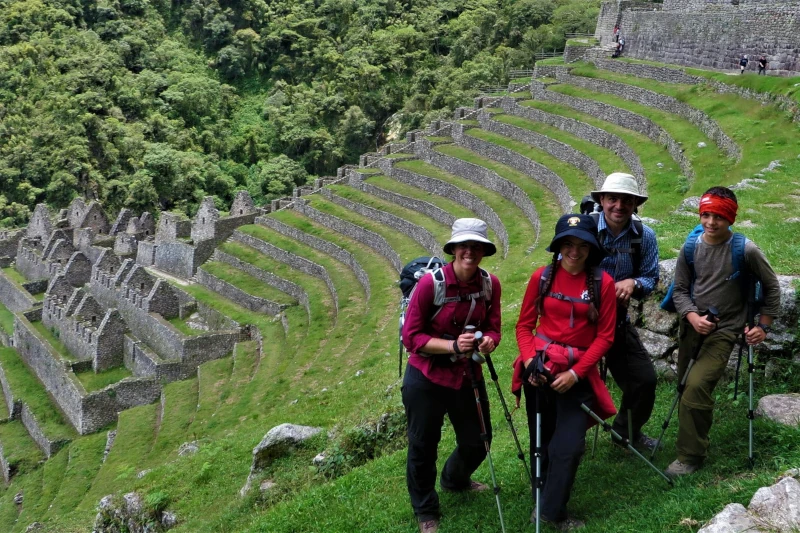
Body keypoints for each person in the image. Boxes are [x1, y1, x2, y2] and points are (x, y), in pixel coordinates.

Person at [665, 187, 781, 477]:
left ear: (731, 218)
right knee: (684, 385)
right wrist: (692, 316)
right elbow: (679, 290)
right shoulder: (691, 248)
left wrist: (763, 325)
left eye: (719, 216)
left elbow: (772, 287)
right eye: (706, 214)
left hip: (725, 330)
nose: (711, 222)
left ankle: (690, 456)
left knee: (696, 387)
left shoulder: (746, 250)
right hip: (692, 327)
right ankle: (693, 439)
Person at [513, 214, 617, 531]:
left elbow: (605, 336)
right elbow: (523, 326)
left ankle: (546, 507)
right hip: (540, 369)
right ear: (558, 246)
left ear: (591, 248)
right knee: (540, 440)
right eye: (568, 244)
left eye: (581, 245)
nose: (574, 251)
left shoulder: (604, 284)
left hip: (577, 372)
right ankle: (549, 509)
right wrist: (531, 362)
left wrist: (576, 374)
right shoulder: (541, 278)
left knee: (569, 446)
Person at [401, 218, 502, 533]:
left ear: (483, 251)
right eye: (464, 246)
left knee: (478, 441)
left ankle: (454, 480)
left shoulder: (490, 284)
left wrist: (489, 341)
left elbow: (495, 327)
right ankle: (426, 511)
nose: (470, 252)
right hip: (426, 377)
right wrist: (452, 345)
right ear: (454, 249)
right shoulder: (431, 285)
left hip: (467, 374)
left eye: (476, 246)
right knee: (423, 445)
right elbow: (412, 337)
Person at [590, 173, 660, 451]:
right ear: (602, 201)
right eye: (613, 199)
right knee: (570, 382)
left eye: (626, 200)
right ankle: (566, 439)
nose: (619, 205)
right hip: (579, 322)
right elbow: (559, 271)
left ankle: (625, 432)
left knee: (644, 380)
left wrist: (633, 282)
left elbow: (651, 277)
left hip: (617, 321)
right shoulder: (583, 230)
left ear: (635, 204)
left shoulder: (643, 236)